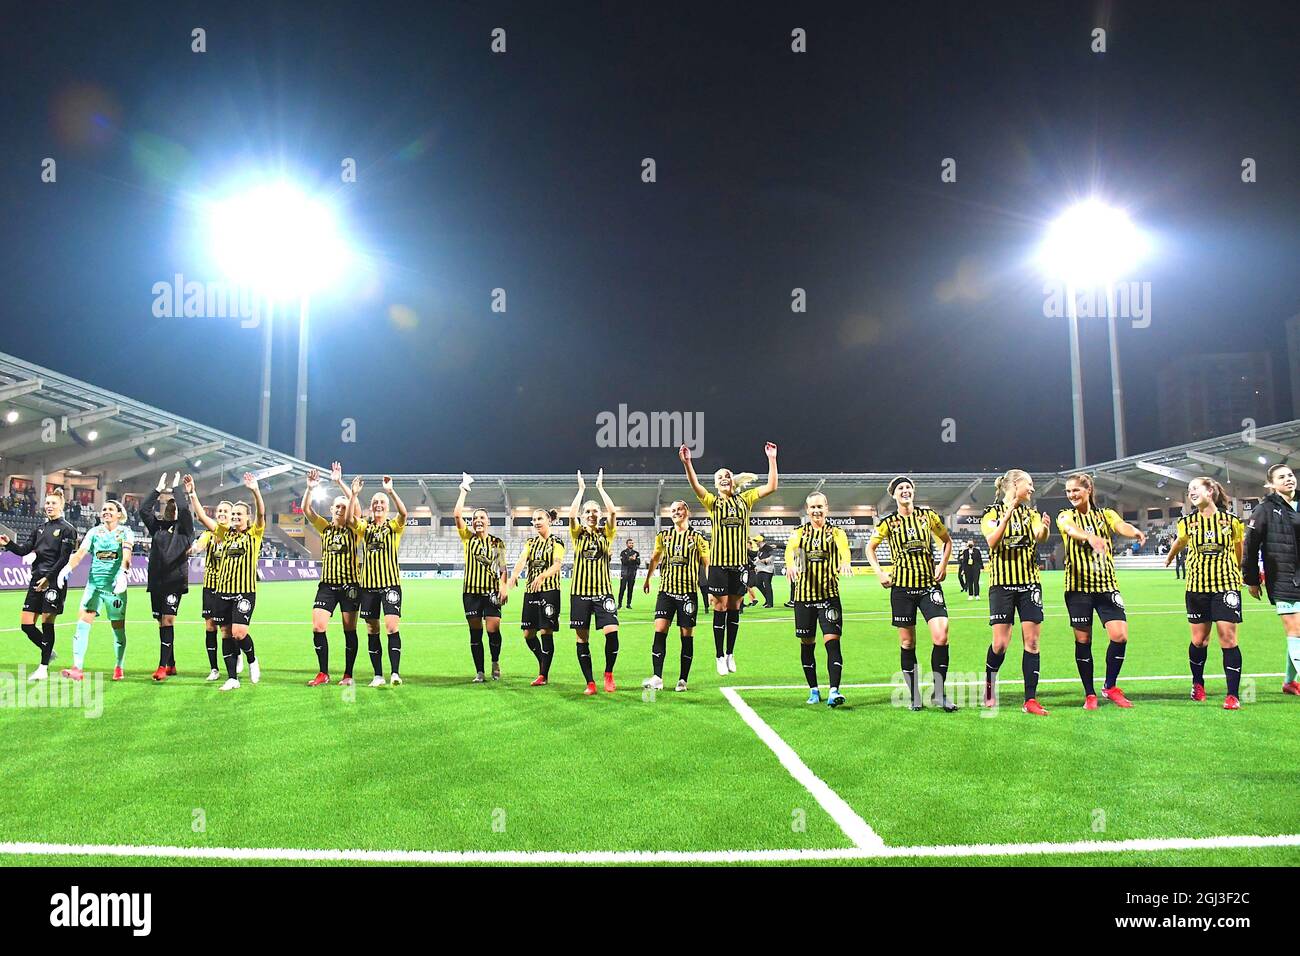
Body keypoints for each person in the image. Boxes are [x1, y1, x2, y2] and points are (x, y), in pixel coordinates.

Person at [679, 441, 779, 675]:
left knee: (735, 606)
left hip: (739, 564)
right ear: (715, 484)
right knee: (720, 607)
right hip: (718, 564)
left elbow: (772, 486)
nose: (723, 478)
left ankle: (731, 653)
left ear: (732, 480)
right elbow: (695, 486)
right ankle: (718, 655)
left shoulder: (746, 499)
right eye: (719, 477)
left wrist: (772, 459)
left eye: (727, 475)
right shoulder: (713, 503)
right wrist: (688, 463)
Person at [1056, 473, 1146, 710]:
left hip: (1106, 585)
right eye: (1068, 491)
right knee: (1083, 640)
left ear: (1088, 490)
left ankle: (1110, 686)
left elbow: (1120, 525)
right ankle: (1089, 693)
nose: (1071, 495)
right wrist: (1090, 537)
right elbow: (1069, 528)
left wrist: (1133, 531)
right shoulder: (1065, 515)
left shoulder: (1105, 514)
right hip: (1078, 588)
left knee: (1120, 635)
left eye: (1076, 490)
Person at [866, 476, 956, 711]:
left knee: (942, 635)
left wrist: (943, 565)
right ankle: (915, 695)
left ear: (913, 492)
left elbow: (947, 541)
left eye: (908, 487)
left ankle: (939, 693)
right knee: (908, 642)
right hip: (902, 589)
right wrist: (880, 573)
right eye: (900, 489)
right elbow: (870, 548)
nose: (905, 491)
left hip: (929, 586)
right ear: (894, 495)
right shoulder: (889, 523)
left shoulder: (928, 516)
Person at [1164, 477, 1245, 709]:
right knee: (1199, 641)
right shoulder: (1187, 521)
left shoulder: (1231, 521)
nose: (1191, 492)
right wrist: (1170, 557)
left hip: (1225, 586)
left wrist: (1236, 571)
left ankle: (1232, 694)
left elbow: (1239, 548)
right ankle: (1198, 683)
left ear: (1210, 491)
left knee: (1228, 639)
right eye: (1188, 490)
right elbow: (1180, 541)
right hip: (1197, 587)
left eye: (1195, 488)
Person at [980, 469, 1052, 715]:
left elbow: (1039, 537)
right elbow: (992, 541)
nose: (1032, 489)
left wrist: (1043, 529)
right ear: (1014, 485)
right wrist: (1008, 512)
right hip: (1001, 585)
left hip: (1029, 583)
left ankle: (1030, 700)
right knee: (1000, 644)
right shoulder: (991, 514)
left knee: (1032, 641)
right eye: (1029, 484)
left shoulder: (1031, 513)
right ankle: (989, 686)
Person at [189, 473, 265, 691]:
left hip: (244, 592)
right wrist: (192, 493)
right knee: (225, 633)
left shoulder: (254, 534)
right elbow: (203, 517)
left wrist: (255, 490)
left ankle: (251, 659)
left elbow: (261, 512)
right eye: (234, 514)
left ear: (247, 518)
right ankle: (232, 678)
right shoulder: (224, 533)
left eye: (240, 514)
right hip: (221, 592)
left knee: (239, 633)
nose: (235, 517)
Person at [0, 488, 78, 681]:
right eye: (47, 503)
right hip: (36, 579)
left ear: (61, 505)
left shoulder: (68, 529)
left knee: (47, 623)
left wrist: (49, 579)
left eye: (53, 503)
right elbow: (24, 550)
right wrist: (8, 543)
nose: (49, 506)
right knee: (26, 625)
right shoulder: (40, 529)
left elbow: (64, 558)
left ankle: (43, 667)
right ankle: (48, 651)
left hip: (54, 581)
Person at [787, 492, 852, 707]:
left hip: (829, 597)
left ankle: (834, 690)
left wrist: (845, 561)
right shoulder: (799, 533)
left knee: (832, 642)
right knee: (807, 644)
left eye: (820, 507)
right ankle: (813, 690)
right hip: (804, 598)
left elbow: (843, 549)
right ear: (807, 510)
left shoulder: (835, 532)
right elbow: (792, 552)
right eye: (812, 507)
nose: (816, 511)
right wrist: (791, 565)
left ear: (827, 508)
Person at [56, 500, 133, 681]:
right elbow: (80, 553)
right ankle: (77, 668)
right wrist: (67, 569)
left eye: (110, 509)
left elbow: (127, 555)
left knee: (118, 629)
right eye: (104, 509)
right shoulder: (94, 532)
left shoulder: (125, 532)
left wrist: (123, 573)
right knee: (83, 623)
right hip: (94, 586)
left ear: (119, 514)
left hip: (115, 588)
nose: (106, 512)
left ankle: (119, 666)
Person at [1241, 463, 1300, 697]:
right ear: (1271, 484)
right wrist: (1252, 579)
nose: (1288, 479)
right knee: (1294, 630)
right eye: (1282, 477)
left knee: (1299, 632)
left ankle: (1288, 682)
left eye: (1291, 475)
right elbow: (1250, 545)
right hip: (1282, 576)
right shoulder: (1264, 509)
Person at [302, 465, 362, 687]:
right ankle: (323, 673)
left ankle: (348, 675)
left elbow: (356, 511)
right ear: (331, 508)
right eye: (337, 506)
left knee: (349, 630)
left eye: (343, 507)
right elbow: (307, 510)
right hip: (326, 586)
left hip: (349, 586)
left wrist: (341, 484)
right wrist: (310, 488)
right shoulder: (325, 528)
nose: (340, 509)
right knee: (318, 627)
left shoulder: (354, 529)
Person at [641, 500, 710, 692]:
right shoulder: (664, 536)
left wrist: (712, 588)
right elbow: (655, 558)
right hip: (666, 591)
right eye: (672, 510)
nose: (676, 512)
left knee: (686, 636)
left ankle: (682, 680)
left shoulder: (697, 538)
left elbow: (707, 563)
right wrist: (648, 579)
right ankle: (657, 677)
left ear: (687, 512)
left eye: (679, 509)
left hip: (688, 593)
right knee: (660, 629)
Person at [351, 476, 408, 687]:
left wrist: (390, 491)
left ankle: (395, 673)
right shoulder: (364, 527)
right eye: (375, 502)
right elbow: (350, 520)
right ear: (371, 507)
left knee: (392, 627)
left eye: (382, 502)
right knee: (372, 629)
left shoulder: (394, 526)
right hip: (368, 587)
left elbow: (404, 513)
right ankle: (378, 675)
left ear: (387, 507)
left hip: (390, 584)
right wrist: (354, 495)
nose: (378, 505)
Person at [568, 470, 621, 695]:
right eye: (587, 511)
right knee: (582, 638)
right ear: (583, 515)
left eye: (594, 511)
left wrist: (600, 488)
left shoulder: (605, 534)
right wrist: (581, 490)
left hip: (603, 592)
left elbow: (613, 511)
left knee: (612, 631)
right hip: (579, 593)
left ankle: (608, 673)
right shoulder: (577, 533)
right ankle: (590, 682)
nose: (591, 514)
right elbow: (571, 516)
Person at [140, 472, 195, 682]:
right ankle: (171, 663)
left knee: (168, 620)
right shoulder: (157, 528)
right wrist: (157, 490)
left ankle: (162, 666)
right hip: (156, 581)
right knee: (160, 622)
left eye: (173, 508)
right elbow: (143, 510)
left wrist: (176, 489)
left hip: (174, 581)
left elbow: (183, 509)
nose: (171, 510)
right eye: (167, 507)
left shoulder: (185, 530)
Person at [454, 474, 509, 682]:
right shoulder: (468, 538)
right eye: (475, 518)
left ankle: (495, 661)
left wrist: (504, 587)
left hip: (491, 593)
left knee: (493, 628)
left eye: (482, 518)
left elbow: (503, 568)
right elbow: (457, 515)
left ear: (488, 522)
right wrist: (464, 489)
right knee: (475, 633)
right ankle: (479, 671)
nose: (478, 521)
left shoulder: (497, 543)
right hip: (471, 593)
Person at [506, 508, 565, 686]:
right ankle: (543, 662)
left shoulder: (557, 541)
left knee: (546, 631)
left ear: (548, 520)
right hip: (531, 591)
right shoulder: (530, 542)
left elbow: (557, 564)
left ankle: (543, 675)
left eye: (540, 518)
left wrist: (542, 576)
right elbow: (522, 560)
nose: (537, 522)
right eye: (534, 519)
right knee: (528, 633)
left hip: (550, 590)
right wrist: (514, 575)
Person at [750, 535, 776, 607]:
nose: (755, 543)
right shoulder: (760, 549)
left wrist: (765, 560)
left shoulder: (768, 548)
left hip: (767, 570)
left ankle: (770, 603)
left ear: (760, 541)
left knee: (767, 585)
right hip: (761, 570)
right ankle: (767, 600)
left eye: (756, 541)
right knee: (758, 584)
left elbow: (772, 557)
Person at [617, 538, 641, 609]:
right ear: (627, 544)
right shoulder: (623, 552)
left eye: (632, 543)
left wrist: (635, 559)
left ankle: (628, 604)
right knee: (622, 588)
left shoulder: (636, 553)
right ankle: (619, 604)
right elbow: (624, 562)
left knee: (630, 589)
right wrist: (630, 558)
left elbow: (639, 562)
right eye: (630, 543)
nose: (631, 544)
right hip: (624, 573)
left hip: (632, 573)